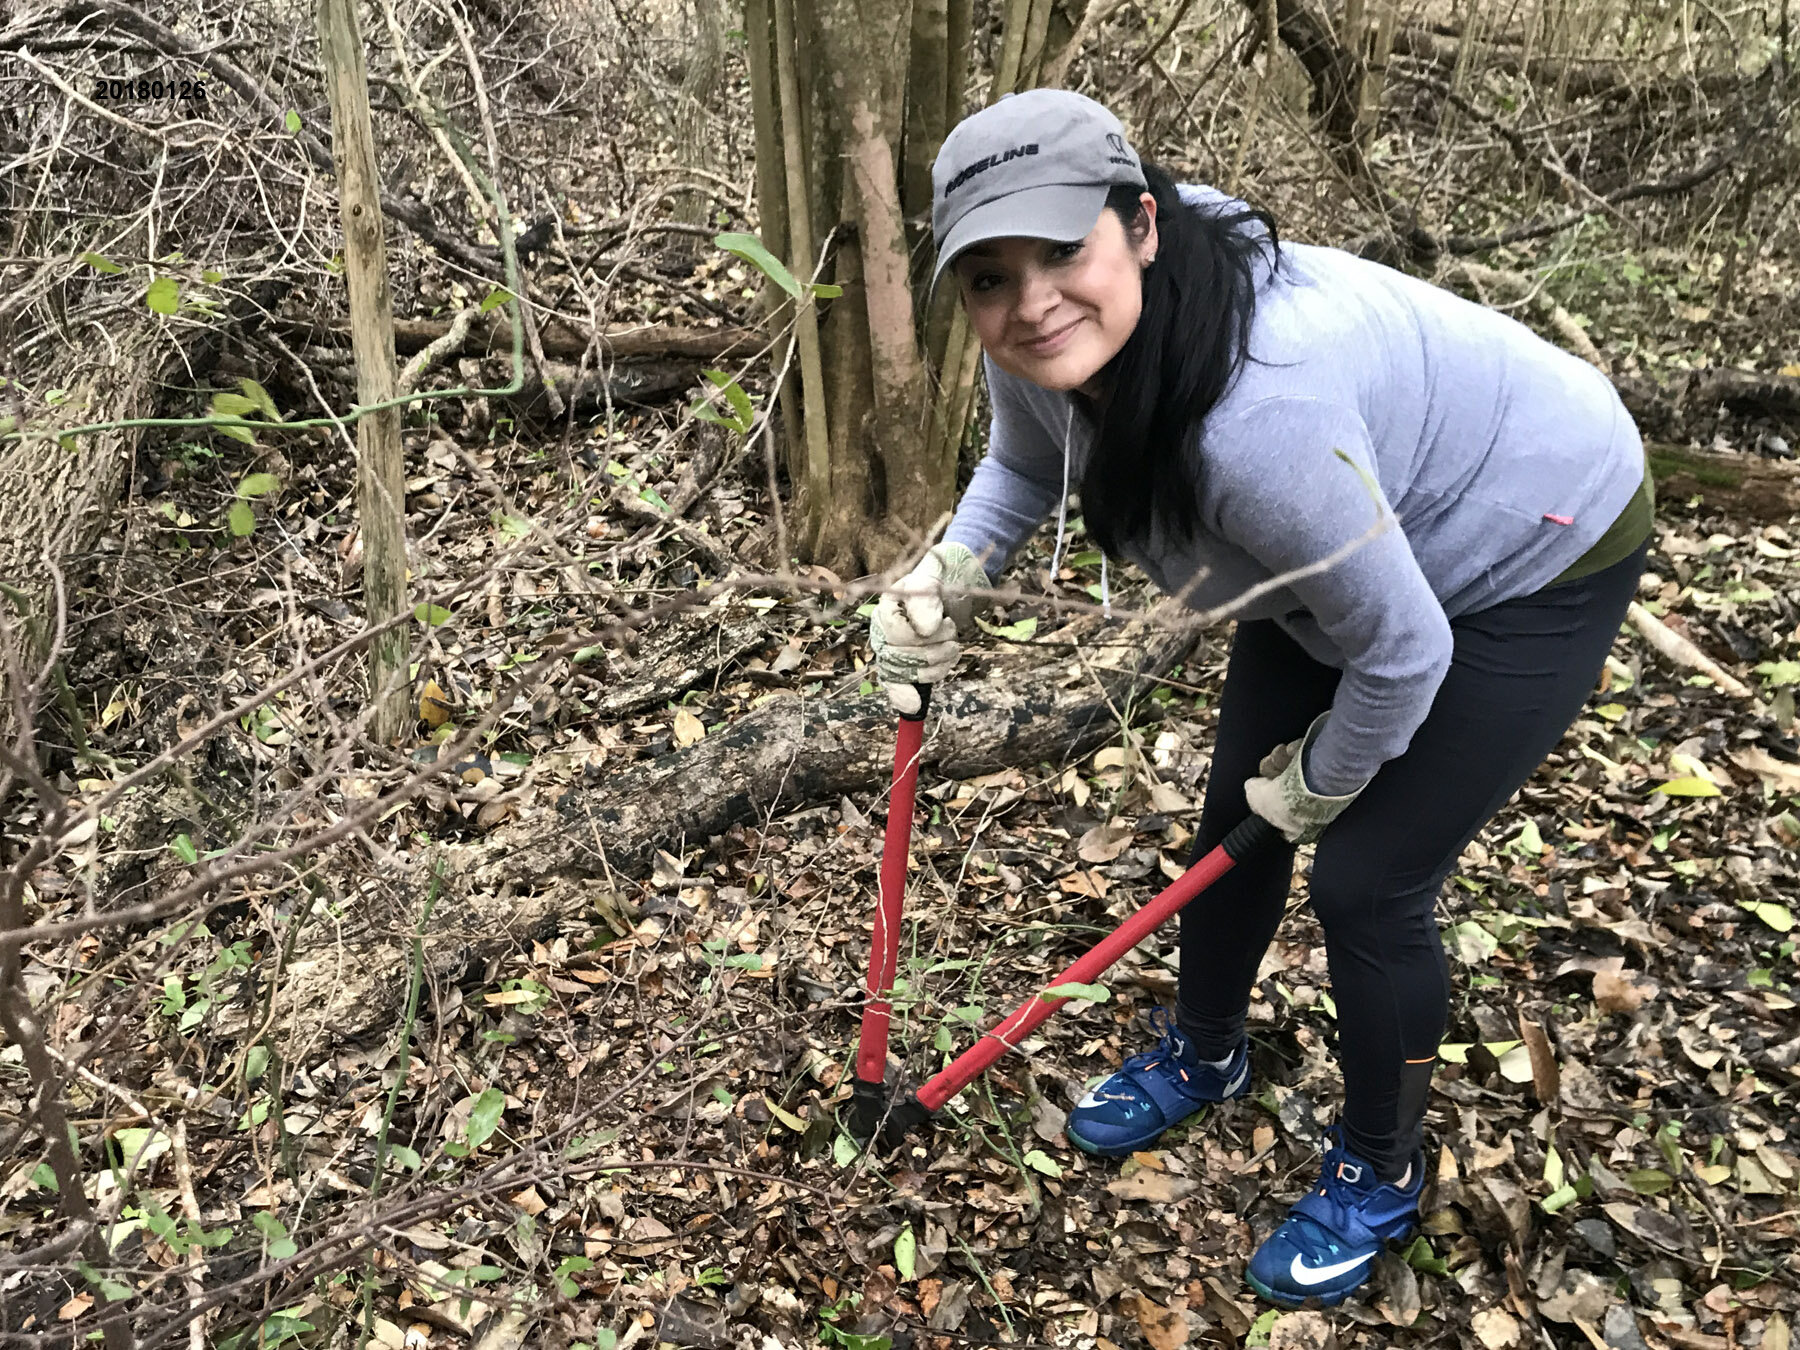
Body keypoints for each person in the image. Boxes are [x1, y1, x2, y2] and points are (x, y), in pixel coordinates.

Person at [867, 88, 1652, 1308]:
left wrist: (1325, 781)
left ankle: (1382, 1171)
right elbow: (1027, 460)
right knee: (1231, 821)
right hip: (1340, 563)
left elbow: (1402, 652)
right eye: (987, 276)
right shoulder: (1048, 344)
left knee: (1365, 879)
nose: (1028, 303)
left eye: (1062, 252)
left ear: (1140, 222)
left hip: (1533, 541)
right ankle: (1207, 1052)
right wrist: (951, 572)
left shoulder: (1261, 419)